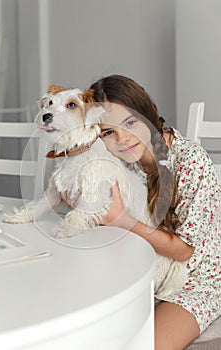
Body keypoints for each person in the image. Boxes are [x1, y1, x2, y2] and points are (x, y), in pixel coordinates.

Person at [88, 74, 221, 350]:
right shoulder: (125, 164)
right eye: (108, 132)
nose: (122, 138)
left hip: (198, 282)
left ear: (147, 114)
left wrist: (125, 221)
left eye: (130, 122)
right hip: (145, 273)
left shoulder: (191, 162)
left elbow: (185, 251)